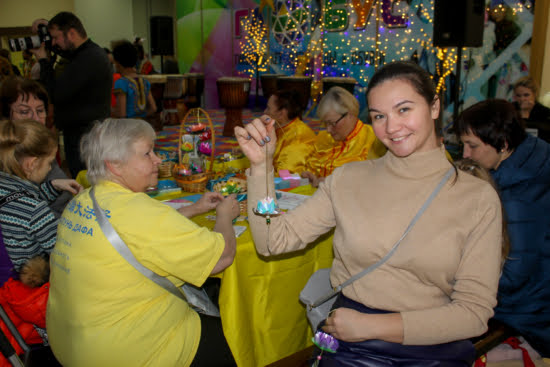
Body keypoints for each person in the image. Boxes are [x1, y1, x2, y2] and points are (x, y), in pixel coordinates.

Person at [236, 61, 503, 366]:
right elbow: (272, 239)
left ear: (433, 107)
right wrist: (260, 171)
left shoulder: (477, 198)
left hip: (430, 345)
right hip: (350, 346)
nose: (391, 127)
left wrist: (372, 327)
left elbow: (473, 314)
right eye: (379, 116)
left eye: (404, 109)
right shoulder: (349, 179)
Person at [47, 118, 239, 366]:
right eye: (147, 153)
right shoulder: (139, 211)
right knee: (233, 337)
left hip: (72, 345)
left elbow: (133, 234)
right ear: (115, 165)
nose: (158, 160)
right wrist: (225, 216)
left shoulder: (83, 200)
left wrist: (194, 208)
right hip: (129, 351)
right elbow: (222, 257)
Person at [455, 98, 550, 358]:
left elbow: (513, 275)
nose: (465, 154)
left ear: (504, 144)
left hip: (526, 313)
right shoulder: (528, 163)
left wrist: (456, 284)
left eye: (472, 146)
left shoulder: (518, 197)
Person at [31, 12, 112, 178]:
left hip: (84, 136)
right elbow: (64, 51)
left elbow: (55, 93)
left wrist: (43, 61)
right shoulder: (87, 53)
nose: (54, 43)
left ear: (72, 33)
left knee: (85, 180)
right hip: (84, 132)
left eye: (56, 37)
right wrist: (44, 29)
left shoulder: (88, 58)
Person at [0, 119, 82, 278]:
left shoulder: (7, 187)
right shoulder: (36, 211)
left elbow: (19, 203)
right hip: (25, 285)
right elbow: (62, 250)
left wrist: (53, 186)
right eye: (49, 163)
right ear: (32, 164)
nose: (51, 168)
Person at [0, 76, 72, 217]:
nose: (36, 119)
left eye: (40, 110)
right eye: (24, 112)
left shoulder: (44, 152)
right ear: (5, 118)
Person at [301, 86, 386, 187]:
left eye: (332, 123)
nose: (328, 130)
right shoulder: (323, 137)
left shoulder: (374, 139)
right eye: (325, 123)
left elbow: (377, 180)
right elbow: (310, 167)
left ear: (350, 115)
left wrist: (334, 183)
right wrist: (309, 176)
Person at [263, 89, 316, 175]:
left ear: (282, 113)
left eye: (268, 108)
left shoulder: (297, 138)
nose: (265, 112)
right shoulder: (280, 128)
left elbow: (285, 177)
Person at [111, 40, 157, 118]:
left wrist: (108, 109)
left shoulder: (121, 83)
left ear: (118, 63)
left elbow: (121, 114)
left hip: (127, 127)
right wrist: (140, 116)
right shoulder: (145, 81)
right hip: (142, 125)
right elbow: (153, 108)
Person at [512, 76, 550, 142]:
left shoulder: (545, 113)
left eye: (526, 95)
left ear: (534, 95)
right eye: (518, 95)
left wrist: (525, 113)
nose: (522, 99)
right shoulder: (510, 109)